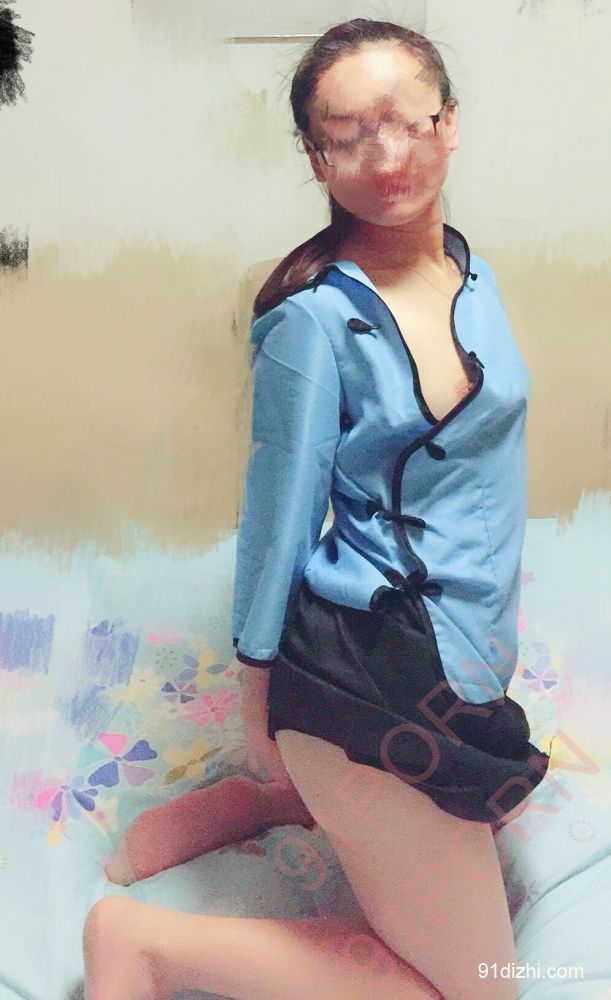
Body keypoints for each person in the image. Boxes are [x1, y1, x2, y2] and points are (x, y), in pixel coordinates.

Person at [86, 18, 551, 999]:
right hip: (371, 673)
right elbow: (277, 520)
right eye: (347, 136)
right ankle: (141, 940)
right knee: (478, 991)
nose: (384, 157)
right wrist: (259, 701)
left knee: (481, 808)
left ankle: (277, 800)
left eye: (405, 122)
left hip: (459, 668)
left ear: (448, 124)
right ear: (314, 158)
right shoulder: (312, 322)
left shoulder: (471, 272)